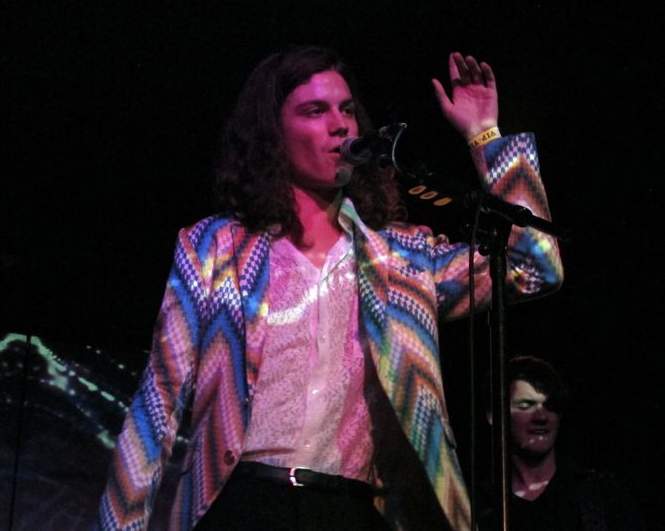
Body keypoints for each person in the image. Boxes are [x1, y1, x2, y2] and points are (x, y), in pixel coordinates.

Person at [95, 45, 563, 531]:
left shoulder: (402, 259)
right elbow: (158, 403)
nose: (340, 125)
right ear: (272, 133)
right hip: (240, 504)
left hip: (350, 509)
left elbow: (535, 267)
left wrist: (484, 135)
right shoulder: (214, 248)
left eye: (347, 110)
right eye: (315, 111)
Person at [479, 356, 645, 530]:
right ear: (493, 416)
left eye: (550, 406)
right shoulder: (478, 505)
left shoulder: (602, 495)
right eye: (526, 405)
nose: (542, 417)